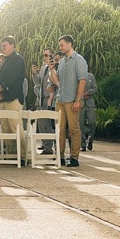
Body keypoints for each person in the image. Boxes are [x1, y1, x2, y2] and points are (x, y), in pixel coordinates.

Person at [48, 35, 88, 167]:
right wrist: (52, 69)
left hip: (72, 100)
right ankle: (60, 156)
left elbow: (82, 80)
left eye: (62, 45)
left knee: (73, 129)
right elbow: (57, 81)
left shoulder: (79, 60)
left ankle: (74, 157)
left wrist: (78, 100)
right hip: (60, 99)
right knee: (60, 129)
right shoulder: (63, 61)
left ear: (69, 44)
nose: (60, 47)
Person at [0, 36, 27, 159]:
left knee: (15, 127)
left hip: (14, 98)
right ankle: (12, 155)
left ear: (13, 45)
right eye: (2, 45)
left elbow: (13, 78)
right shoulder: (5, 60)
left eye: (5, 45)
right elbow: (0, 78)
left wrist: (0, 89)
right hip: (3, 99)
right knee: (5, 128)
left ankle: (23, 156)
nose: (3, 47)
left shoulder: (18, 59)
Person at [31, 48, 56, 153]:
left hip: (49, 98)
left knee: (48, 124)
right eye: (44, 55)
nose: (45, 57)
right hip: (41, 98)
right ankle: (45, 144)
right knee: (41, 124)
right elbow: (38, 83)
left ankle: (49, 147)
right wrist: (34, 73)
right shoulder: (42, 68)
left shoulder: (54, 67)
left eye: (47, 55)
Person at [80, 71, 97, 151]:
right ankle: (82, 144)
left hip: (90, 103)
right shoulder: (76, 76)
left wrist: (88, 93)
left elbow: (95, 88)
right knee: (80, 124)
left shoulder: (91, 76)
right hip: (80, 103)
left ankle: (90, 140)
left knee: (92, 122)